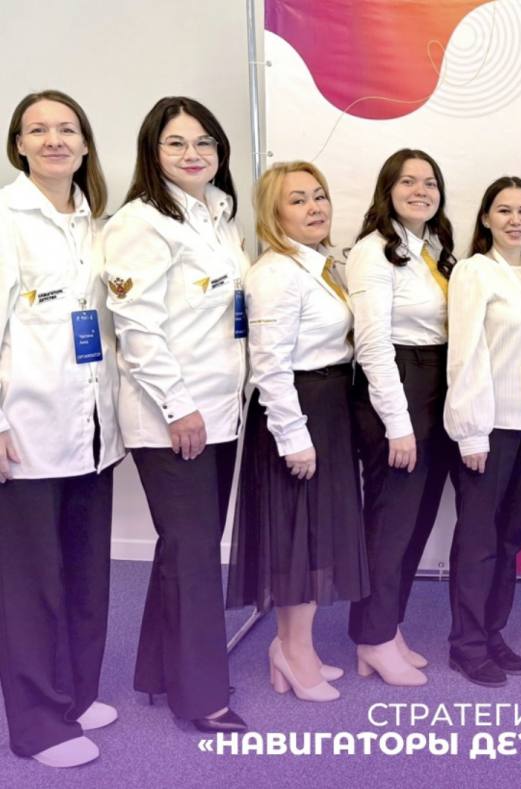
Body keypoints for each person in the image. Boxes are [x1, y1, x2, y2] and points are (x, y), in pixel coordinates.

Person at [102, 97, 248, 732]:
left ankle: (161, 671)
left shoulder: (219, 214)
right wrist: (178, 405)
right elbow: (136, 328)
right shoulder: (140, 223)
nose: (193, 154)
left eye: (204, 142)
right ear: (152, 152)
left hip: (221, 410)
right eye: (176, 143)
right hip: (173, 416)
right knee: (193, 554)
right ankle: (202, 697)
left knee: (187, 546)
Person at [0, 90, 122, 768]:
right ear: (18, 145)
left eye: (67, 128)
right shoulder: (6, 218)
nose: (54, 139)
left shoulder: (94, 223)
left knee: (85, 571)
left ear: (84, 143)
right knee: (31, 587)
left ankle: (74, 693)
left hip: (93, 427)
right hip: (28, 427)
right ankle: (39, 724)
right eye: (38, 129)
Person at [226, 161, 369, 702]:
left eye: (319, 196)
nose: (314, 208)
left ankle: (294, 647)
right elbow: (269, 364)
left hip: (328, 407)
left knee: (316, 536)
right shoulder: (275, 274)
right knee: (297, 537)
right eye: (298, 200)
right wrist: (294, 437)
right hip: (298, 412)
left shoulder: (320, 265)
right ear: (273, 213)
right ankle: (291, 650)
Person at [346, 148, 455, 686]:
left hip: (435, 383)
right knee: (390, 524)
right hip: (398, 387)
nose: (420, 191)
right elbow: (371, 344)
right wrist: (398, 423)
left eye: (429, 182)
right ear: (387, 190)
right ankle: (371, 637)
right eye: (408, 181)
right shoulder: (373, 252)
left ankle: (388, 628)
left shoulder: (434, 248)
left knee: (415, 520)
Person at [444, 176, 521, 687]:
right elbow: (464, 354)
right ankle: (466, 644)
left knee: (509, 539)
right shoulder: (474, 272)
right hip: (489, 428)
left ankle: (492, 631)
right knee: (479, 541)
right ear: (486, 218)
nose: (515, 220)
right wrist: (471, 432)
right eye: (504, 210)